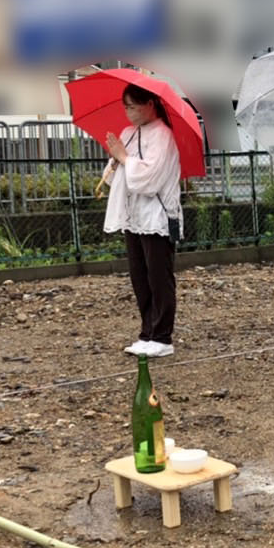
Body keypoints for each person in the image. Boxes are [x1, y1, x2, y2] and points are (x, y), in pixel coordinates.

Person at [102, 83, 182, 358]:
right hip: (133, 214)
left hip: (156, 214)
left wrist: (125, 158)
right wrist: (115, 162)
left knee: (159, 276)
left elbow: (149, 179)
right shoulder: (128, 133)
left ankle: (162, 336)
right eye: (125, 107)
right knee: (139, 275)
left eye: (132, 106)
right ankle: (147, 331)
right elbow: (120, 177)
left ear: (150, 104)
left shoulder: (163, 135)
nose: (128, 112)